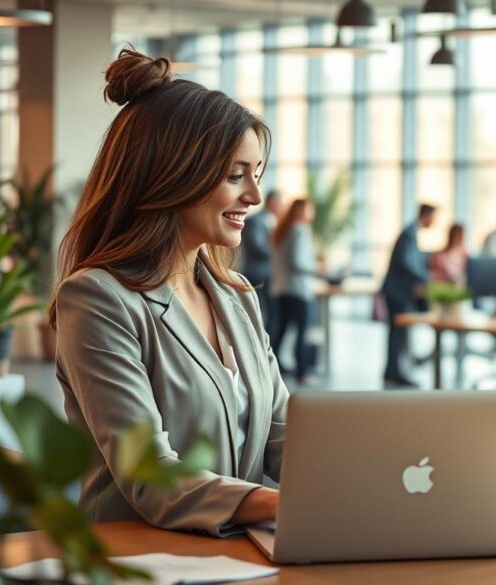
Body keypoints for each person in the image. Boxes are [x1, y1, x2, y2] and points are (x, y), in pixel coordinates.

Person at [50, 49, 284, 535]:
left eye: (256, 175)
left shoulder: (236, 295)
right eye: (235, 175)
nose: (255, 197)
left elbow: (283, 440)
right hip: (140, 559)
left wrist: (368, 482)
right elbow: (149, 477)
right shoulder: (98, 299)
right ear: (174, 173)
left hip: (236, 555)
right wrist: (282, 504)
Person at [381, 204, 436, 387]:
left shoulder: (411, 232)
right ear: (426, 215)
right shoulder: (409, 234)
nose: (434, 222)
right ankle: (394, 372)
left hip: (398, 292)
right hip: (397, 293)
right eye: (433, 218)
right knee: (397, 334)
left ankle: (393, 371)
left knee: (397, 334)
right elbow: (406, 263)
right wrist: (426, 277)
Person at [270, 198, 319, 386]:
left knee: (281, 331)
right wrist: (317, 268)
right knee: (302, 332)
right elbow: (298, 261)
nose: (311, 213)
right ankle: (302, 372)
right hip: (299, 290)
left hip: (282, 289)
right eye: (309, 209)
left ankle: (268, 368)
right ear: (302, 211)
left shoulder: (282, 230)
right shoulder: (300, 230)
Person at [240, 189, 280, 328]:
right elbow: (256, 246)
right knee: (254, 311)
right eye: (278, 203)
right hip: (257, 273)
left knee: (272, 314)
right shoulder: (255, 220)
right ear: (271, 202)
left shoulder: (274, 221)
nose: (280, 207)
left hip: (271, 275)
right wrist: (277, 254)